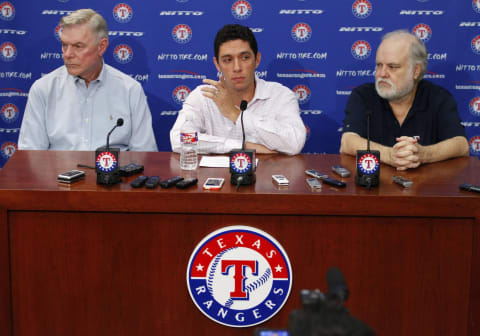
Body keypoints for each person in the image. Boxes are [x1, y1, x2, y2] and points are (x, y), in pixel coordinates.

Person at [18, 9, 157, 151]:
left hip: (115, 172)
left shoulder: (130, 90)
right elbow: (30, 154)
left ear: (101, 47)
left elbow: (145, 154)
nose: (67, 54)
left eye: (78, 46)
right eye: (64, 45)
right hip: (58, 173)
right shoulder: (43, 89)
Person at [340, 30, 468, 170]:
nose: (382, 74)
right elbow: (348, 142)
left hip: (424, 188)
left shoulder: (439, 98)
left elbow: (461, 145)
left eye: (392, 67)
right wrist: (390, 155)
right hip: (374, 187)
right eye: (379, 65)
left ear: (416, 71)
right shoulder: (363, 95)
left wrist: (423, 154)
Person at [170, 24, 306, 155]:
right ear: (217, 64)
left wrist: (236, 114)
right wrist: (241, 146)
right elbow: (179, 139)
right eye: (228, 60)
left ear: (257, 59)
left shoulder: (280, 96)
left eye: (245, 58)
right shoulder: (203, 96)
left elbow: (295, 142)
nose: (237, 68)